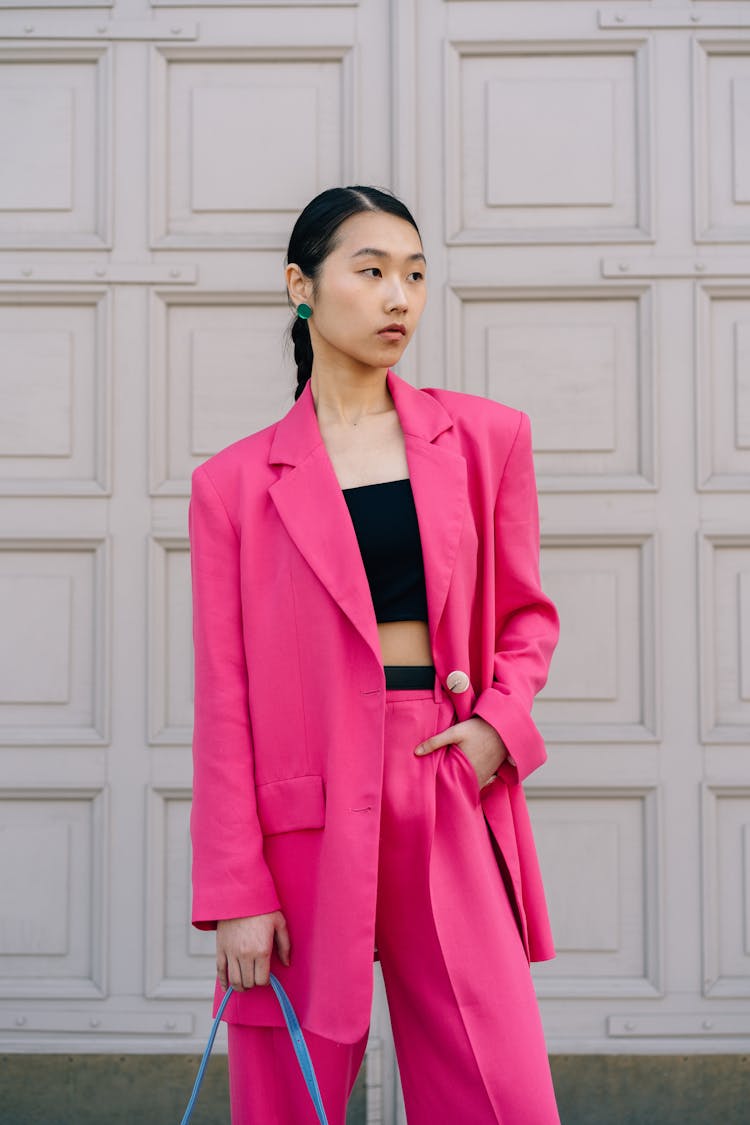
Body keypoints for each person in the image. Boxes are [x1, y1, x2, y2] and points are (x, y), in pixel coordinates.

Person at [188, 185, 561, 1124]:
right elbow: (223, 697)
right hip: (305, 812)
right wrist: (237, 889)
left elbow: (527, 616)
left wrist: (494, 730)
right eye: (372, 271)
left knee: (496, 1084)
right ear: (299, 288)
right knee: (291, 1095)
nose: (400, 295)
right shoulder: (232, 485)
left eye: (416, 273)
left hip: (444, 778)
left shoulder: (484, 438)